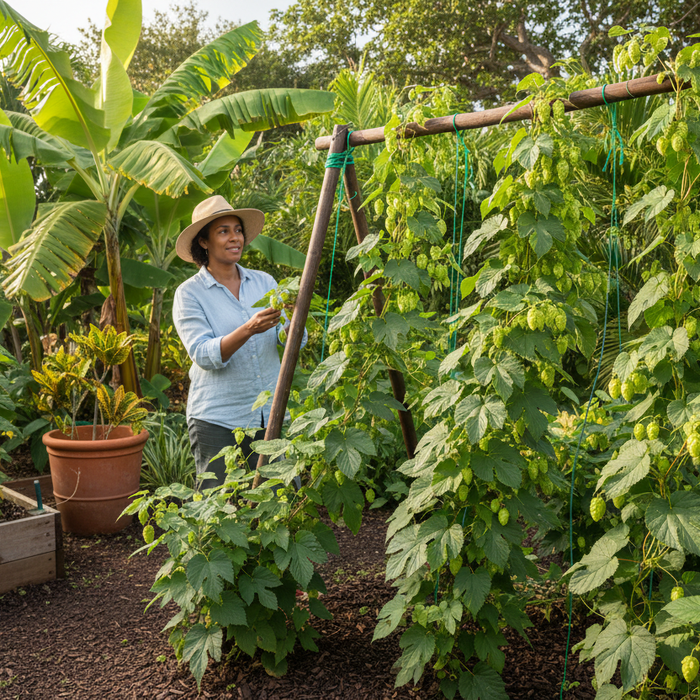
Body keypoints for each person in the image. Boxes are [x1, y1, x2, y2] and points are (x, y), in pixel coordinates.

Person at [172, 195, 307, 489]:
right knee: (218, 508)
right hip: (218, 419)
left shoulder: (264, 282)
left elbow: (289, 344)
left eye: (238, 230)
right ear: (204, 242)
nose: (235, 238)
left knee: (283, 499)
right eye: (223, 231)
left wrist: (295, 318)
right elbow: (203, 354)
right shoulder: (190, 294)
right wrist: (248, 329)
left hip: (270, 413)